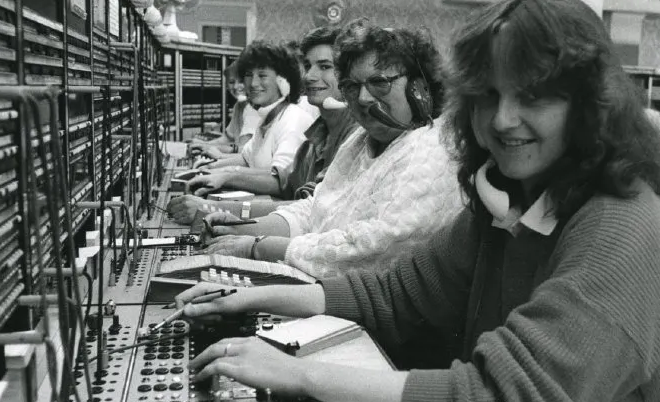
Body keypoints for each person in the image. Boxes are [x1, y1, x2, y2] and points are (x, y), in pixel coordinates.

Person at [181, 0, 660, 402]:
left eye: (532, 96)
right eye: (488, 95)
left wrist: (299, 374)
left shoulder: (621, 229)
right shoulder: (512, 196)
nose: (504, 119)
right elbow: (399, 294)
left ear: (590, 104)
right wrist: (258, 293)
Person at [192, 18, 464, 283]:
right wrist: (246, 228)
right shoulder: (363, 139)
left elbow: (371, 249)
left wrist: (258, 246)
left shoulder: (432, 151)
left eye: (380, 82)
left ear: (420, 87)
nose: (364, 98)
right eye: (352, 86)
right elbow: (318, 208)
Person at [167, 41, 316, 224]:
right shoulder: (268, 117)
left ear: (283, 81)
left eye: (262, 75)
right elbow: (246, 157)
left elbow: (280, 182)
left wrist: (228, 176)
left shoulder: (292, 120)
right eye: (248, 75)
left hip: (276, 219)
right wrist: (212, 169)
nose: (253, 83)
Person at [278, 27, 360, 200]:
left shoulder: (360, 138)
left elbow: (312, 209)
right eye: (308, 66)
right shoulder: (312, 142)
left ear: (351, 75)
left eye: (324, 66)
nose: (309, 76)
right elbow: (286, 190)